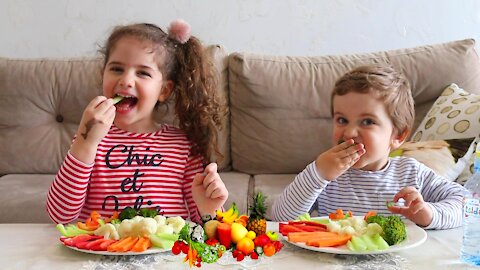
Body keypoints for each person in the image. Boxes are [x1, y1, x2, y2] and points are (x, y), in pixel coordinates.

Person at [46, 20, 228, 224]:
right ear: (102, 74)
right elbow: (59, 215)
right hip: (101, 251)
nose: (126, 80)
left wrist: (209, 209)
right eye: (116, 69)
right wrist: (85, 141)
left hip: (165, 253)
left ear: (164, 90)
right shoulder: (90, 140)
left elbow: (206, 224)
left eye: (142, 73)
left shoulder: (183, 146)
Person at [271, 64, 465, 229]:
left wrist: (429, 213)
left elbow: (466, 204)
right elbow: (280, 218)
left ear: (397, 135)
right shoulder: (326, 174)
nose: (349, 133)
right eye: (342, 120)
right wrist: (318, 174)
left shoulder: (412, 173)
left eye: (367, 122)